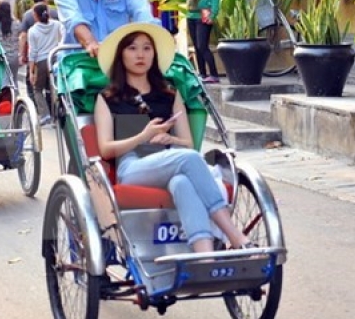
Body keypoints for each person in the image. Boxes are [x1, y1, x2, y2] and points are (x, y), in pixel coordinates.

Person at [93, 22, 254, 253]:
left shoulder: (169, 94)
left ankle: (204, 256)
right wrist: (143, 136)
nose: (141, 55)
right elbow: (106, 149)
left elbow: (186, 143)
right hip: (131, 166)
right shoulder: (109, 98)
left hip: (170, 161)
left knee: (183, 182)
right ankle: (234, 234)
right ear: (121, 55)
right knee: (188, 159)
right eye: (132, 48)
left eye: (147, 48)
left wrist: (170, 140)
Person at [177, 0, 221, 84]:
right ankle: (202, 73)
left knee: (203, 45)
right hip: (191, 15)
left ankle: (214, 74)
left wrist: (213, 13)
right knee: (196, 46)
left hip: (204, 16)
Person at [28, 3, 64, 125]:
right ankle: (57, 114)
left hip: (41, 61)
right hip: (55, 58)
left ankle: (44, 115)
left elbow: (33, 52)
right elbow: (61, 39)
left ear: (35, 15)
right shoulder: (57, 24)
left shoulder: (32, 31)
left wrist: (31, 71)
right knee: (54, 88)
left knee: (37, 89)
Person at [19, 0, 59, 96]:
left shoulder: (28, 15)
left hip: (38, 58)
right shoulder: (55, 13)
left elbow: (23, 36)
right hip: (55, 56)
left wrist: (22, 55)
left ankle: (39, 109)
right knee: (54, 85)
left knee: (35, 87)